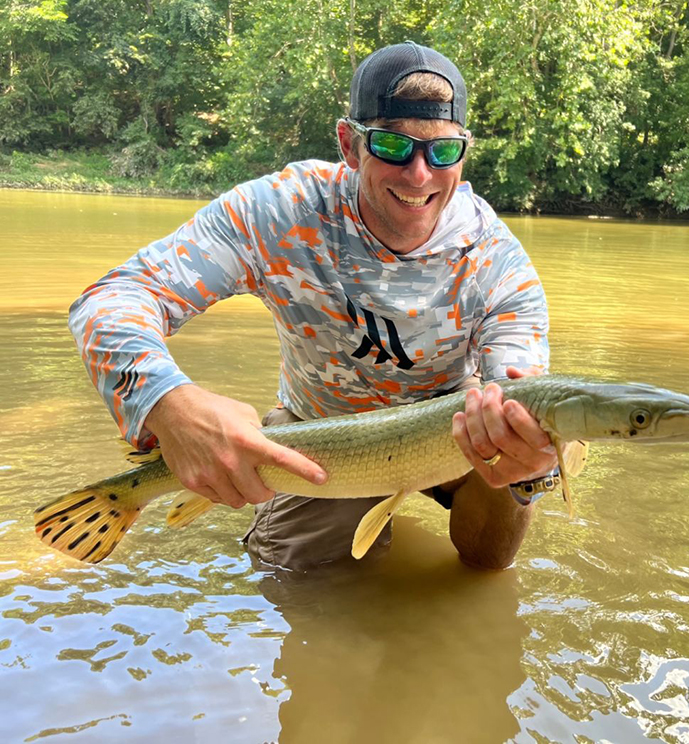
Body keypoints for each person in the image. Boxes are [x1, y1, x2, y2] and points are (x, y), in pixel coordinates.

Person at [68, 41, 557, 571]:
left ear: (463, 152)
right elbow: (111, 298)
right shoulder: (281, 211)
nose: (420, 175)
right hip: (318, 442)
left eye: (442, 152)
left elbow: (521, 391)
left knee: (490, 560)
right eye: (394, 146)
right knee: (299, 592)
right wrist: (169, 402)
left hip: (454, 438)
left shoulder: (498, 260)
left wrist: (532, 462)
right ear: (350, 144)